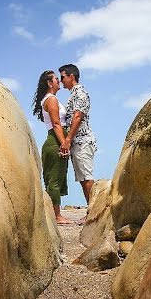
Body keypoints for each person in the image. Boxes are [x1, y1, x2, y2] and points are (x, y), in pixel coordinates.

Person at [32, 69, 72, 225]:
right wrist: (64, 143)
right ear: (49, 83)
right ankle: (56, 216)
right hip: (55, 141)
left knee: (56, 177)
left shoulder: (51, 99)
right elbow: (56, 124)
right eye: (56, 79)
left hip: (55, 140)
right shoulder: (51, 100)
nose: (59, 81)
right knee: (54, 178)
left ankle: (55, 214)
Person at [59, 63, 97, 211]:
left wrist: (67, 140)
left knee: (86, 178)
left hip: (82, 141)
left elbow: (78, 117)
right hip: (78, 142)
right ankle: (92, 211)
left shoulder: (80, 93)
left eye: (63, 77)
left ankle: (94, 212)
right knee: (83, 179)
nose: (61, 81)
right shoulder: (74, 94)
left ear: (71, 76)